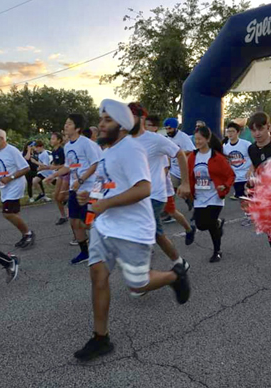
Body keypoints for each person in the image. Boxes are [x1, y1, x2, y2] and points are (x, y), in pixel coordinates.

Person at [73, 99, 191, 362]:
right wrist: (90, 196)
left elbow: (143, 189)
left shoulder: (131, 149)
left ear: (122, 127)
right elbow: (108, 185)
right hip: (106, 226)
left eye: (107, 120)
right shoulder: (108, 152)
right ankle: (101, 338)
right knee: (97, 275)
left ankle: (175, 275)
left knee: (138, 283)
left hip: (132, 229)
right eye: (101, 119)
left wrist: (105, 203)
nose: (101, 125)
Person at [129, 102, 195, 259]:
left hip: (156, 193)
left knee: (146, 224)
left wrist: (185, 183)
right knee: (158, 234)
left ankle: (143, 259)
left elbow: (179, 154)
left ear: (141, 118)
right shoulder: (125, 141)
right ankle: (178, 262)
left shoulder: (156, 139)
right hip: (136, 194)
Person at [45, 114, 100, 264]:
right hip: (74, 188)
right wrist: (53, 175)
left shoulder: (86, 144)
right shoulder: (68, 146)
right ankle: (85, 253)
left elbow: (95, 164)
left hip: (89, 189)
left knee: (88, 222)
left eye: (69, 124)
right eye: (66, 123)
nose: (65, 126)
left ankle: (109, 240)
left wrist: (81, 180)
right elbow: (69, 167)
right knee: (74, 222)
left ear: (78, 128)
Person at [188, 126, 235, 262]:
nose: (197, 142)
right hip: (199, 196)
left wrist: (225, 186)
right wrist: (186, 188)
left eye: (200, 139)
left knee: (209, 222)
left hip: (215, 196)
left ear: (208, 139)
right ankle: (218, 223)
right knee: (201, 225)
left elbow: (230, 175)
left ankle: (217, 251)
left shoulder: (217, 157)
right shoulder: (192, 157)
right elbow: (188, 175)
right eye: (195, 139)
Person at [0, 129, 35, 249]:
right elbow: (1, 170)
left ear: (2, 139)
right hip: (4, 187)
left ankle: (29, 234)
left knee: (7, 213)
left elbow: (26, 168)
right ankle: (25, 235)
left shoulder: (12, 151)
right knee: (15, 213)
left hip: (15, 186)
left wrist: (10, 178)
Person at [248, 112, 271, 281]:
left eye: (260, 129)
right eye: (253, 130)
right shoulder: (252, 149)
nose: (257, 133)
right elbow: (255, 169)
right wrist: (251, 181)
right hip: (269, 201)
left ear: (268, 126)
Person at [164, 117, 195, 219]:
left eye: (169, 129)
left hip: (185, 169)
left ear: (175, 128)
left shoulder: (183, 137)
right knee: (170, 190)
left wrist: (178, 154)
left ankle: (193, 205)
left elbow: (192, 150)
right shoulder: (167, 138)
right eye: (166, 129)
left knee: (189, 191)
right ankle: (169, 212)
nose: (168, 131)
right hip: (173, 170)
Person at [39, 133, 68, 225]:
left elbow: (67, 165)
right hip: (60, 174)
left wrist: (52, 169)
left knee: (61, 196)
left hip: (67, 174)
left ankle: (71, 198)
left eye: (53, 139)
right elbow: (54, 166)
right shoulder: (54, 151)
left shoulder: (62, 151)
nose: (51, 140)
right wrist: (46, 168)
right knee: (56, 197)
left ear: (59, 140)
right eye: (51, 139)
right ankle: (63, 216)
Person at [223, 122, 252, 200]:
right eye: (228, 131)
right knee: (241, 200)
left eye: (232, 131)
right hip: (235, 178)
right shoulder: (225, 147)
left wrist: (250, 170)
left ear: (238, 132)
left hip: (247, 177)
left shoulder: (246, 144)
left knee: (250, 200)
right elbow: (225, 162)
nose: (230, 134)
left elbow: (254, 158)